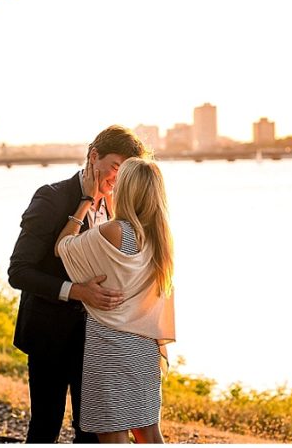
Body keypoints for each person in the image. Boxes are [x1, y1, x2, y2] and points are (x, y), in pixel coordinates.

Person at [8, 125, 147, 443]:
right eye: (115, 167)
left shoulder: (117, 205)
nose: (118, 177)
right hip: (50, 335)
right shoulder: (52, 197)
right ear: (93, 156)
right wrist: (77, 291)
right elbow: (19, 272)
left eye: (125, 171)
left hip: (99, 340)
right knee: (46, 426)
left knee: (93, 431)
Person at [54, 157, 175, 443]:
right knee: (148, 431)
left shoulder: (114, 231)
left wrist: (86, 200)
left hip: (111, 349)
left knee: (111, 432)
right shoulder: (160, 238)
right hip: (145, 348)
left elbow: (63, 247)